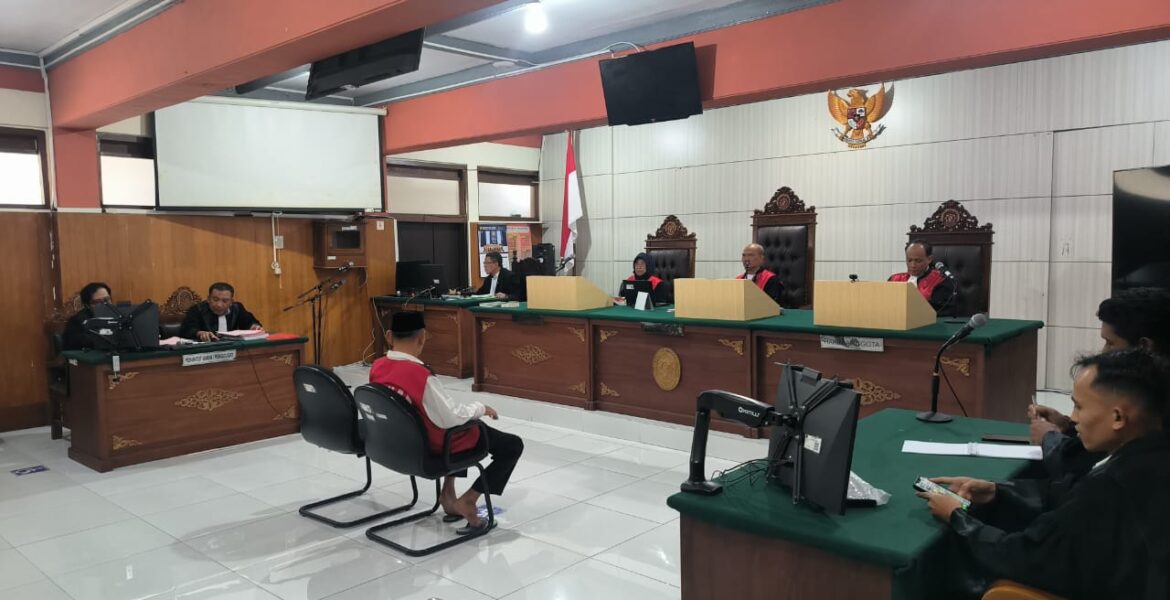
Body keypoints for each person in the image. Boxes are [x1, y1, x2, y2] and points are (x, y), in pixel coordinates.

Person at [918, 349, 1170, 599]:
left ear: (1118, 417)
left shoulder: (1107, 488)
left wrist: (958, 518)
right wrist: (997, 492)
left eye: (1079, 407)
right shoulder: (1149, 454)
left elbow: (1025, 557)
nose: (1073, 418)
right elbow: (1068, 495)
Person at [369, 311, 524, 533]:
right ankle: (468, 500)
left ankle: (448, 494)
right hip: (431, 447)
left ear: (389, 336)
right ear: (422, 337)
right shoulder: (421, 375)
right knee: (510, 444)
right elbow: (451, 417)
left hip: (397, 444)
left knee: (461, 425)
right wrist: (480, 408)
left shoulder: (377, 366)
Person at [1028, 287, 1170, 483]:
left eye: (1110, 343)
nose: (1103, 352)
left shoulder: (1149, 402)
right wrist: (1068, 425)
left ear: (1144, 347)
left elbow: (1075, 463)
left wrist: (1048, 437)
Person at [888, 240, 957, 314]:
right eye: (909, 260)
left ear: (929, 259)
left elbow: (939, 311)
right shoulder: (894, 279)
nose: (913, 265)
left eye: (918, 261)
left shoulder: (941, 280)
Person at [179, 282, 263, 341]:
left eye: (225, 301)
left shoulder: (237, 308)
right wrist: (199, 333)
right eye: (215, 299)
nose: (219, 305)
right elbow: (187, 329)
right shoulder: (197, 309)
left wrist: (254, 326)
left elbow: (250, 322)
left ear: (231, 302)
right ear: (208, 299)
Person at [62, 282, 112, 350]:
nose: (104, 304)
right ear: (87, 305)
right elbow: (74, 345)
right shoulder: (77, 321)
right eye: (97, 302)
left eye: (107, 299)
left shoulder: (118, 315)